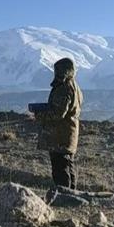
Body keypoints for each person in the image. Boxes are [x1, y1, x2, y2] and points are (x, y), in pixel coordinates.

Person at [36, 57, 83, 189]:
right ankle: (71, 195)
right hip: (68, 135)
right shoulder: (74, 86)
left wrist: (40, 115)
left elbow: (58, 114)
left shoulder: (64, 88)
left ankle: (64, 196)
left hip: (60, 137)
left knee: (61, 169)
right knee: (68, 167)